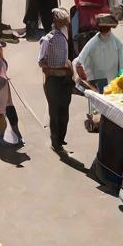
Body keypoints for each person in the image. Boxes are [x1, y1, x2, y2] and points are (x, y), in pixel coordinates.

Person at [74, 13, 123, 128]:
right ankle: (97, 122)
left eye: (106, 28)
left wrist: (120, 80)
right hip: (97, 79)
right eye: (102, 28)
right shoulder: (93, 42)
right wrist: (81, 73)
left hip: (113, 80)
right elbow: (79, 60)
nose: (104, 30)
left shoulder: (117, 43)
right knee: (99, 105)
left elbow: (121, 67)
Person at [38, 8, 74, 154]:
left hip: (56, 79)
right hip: (59, 78)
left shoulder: (53, 39)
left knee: (57, 110)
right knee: (60, 110)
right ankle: (58, 139)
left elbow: (41, 62)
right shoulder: (51, 39)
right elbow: (42, 62)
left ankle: (57, 139)